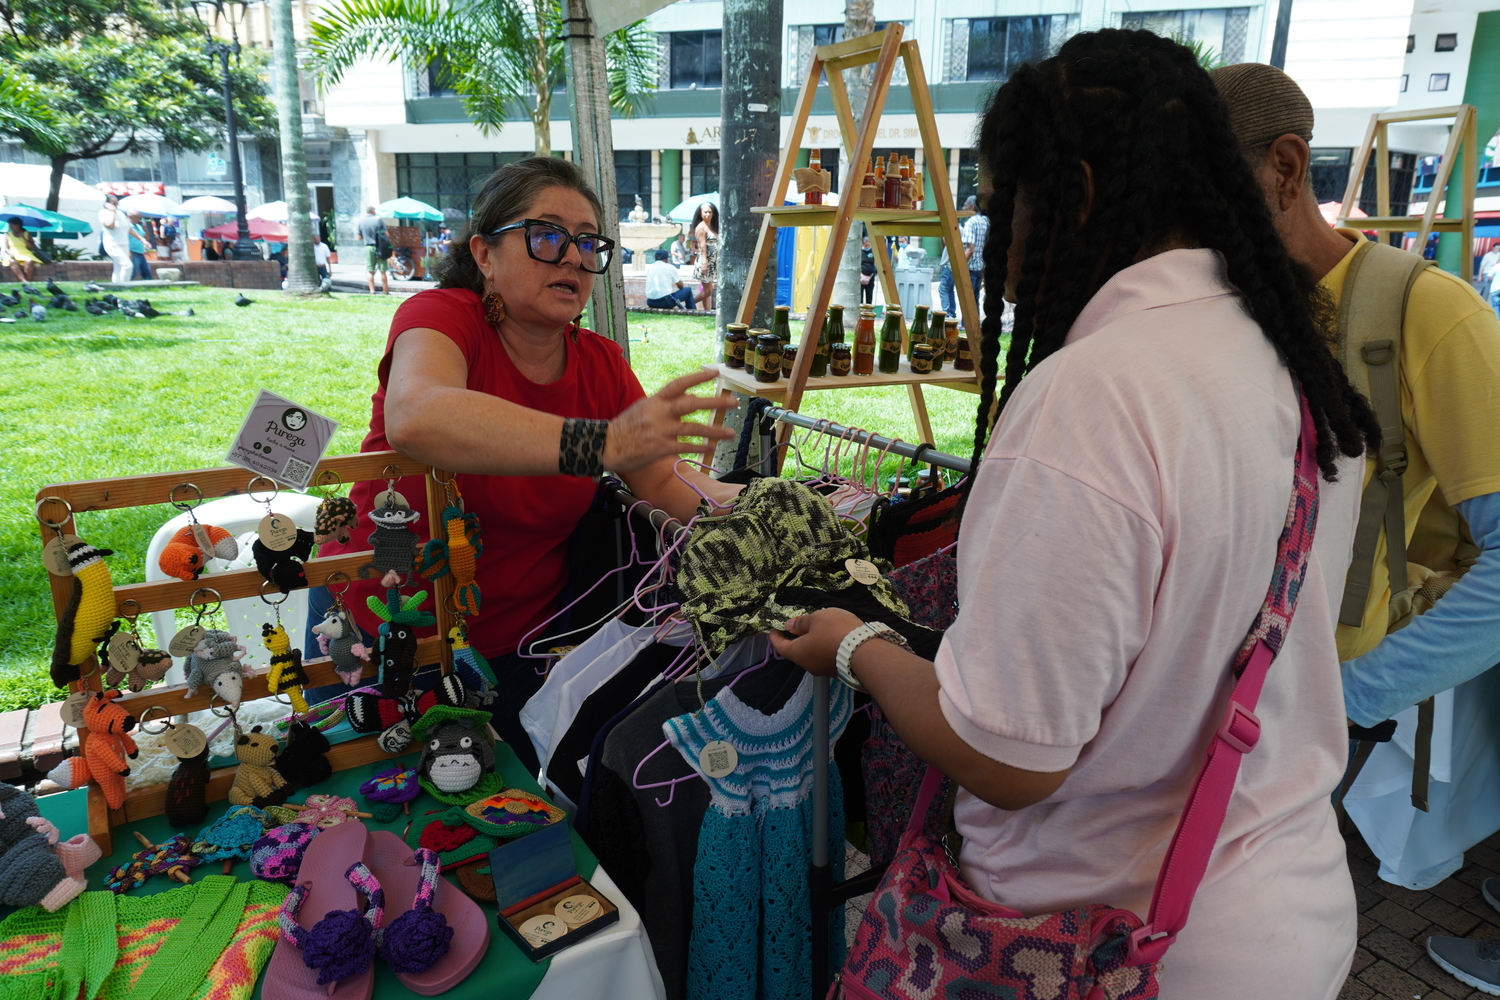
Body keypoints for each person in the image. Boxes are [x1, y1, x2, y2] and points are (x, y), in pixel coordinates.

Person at [771, 30, 1377, 1000]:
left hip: (1106, 948)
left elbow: (1009, 756)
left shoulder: (1094, 399)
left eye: (1000, 212)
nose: (1000, 256)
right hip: (1282, 907)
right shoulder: (1292, 365)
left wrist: (857, 648)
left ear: (1079, 195)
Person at [1211, 63, 1500, 994]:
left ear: (1287, 171)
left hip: (1316, 702)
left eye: (1204, 194)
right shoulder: (1226, 308)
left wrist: (1351, 695)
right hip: (1218, 691)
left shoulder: (1431, 312)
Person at [314, 156, 740, 774]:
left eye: (589, 243)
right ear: (484, 254)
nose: (572, 258)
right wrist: (600, 445)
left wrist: (789, 508)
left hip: (518, 649)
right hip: (381, 631)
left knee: (502, 819)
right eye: (547, 236)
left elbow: (667, 484)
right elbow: (419, 415)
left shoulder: (600, 365)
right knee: (360, 813)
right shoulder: (441, 319)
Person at [937, 195, 978, 317]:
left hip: (949, 264)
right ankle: (951, 313)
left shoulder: (956, 230)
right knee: (949, 289)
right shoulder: (961, 229)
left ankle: (948, 313)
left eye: (965, 205)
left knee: (943, 288)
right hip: (951, 264)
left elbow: (945, 245)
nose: (963, 207)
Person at [959, 199, 987, 327]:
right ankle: (974, 324)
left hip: (970, 267)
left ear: (971, 207)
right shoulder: (985, 221)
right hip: (981, 266)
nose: (963, 208)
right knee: (975, 297)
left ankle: (967, 325)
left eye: (964, 205)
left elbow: (970, 249)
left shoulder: (970, 223)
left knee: (967, 299)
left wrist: (960, 267)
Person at [98, 194, 132, 284]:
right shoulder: (103, 213)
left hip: (124, 243)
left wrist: (142, 239)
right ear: (107, 204)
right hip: (112, 244)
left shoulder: (121, 214)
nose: (116, 205)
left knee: (118, 268)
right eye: (113, 203)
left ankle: (116, 286)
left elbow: (128, 228)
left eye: (117, 203)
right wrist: (112, 212)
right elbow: (110, 226)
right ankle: (125, 285)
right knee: (127, 265)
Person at [690, 202, 717, 309]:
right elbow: (702, 247)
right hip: (705, 262)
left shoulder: (711, 226)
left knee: (706, 291)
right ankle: (687, 304)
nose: (708, 214)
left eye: (710, 212)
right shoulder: (701, 227)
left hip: (712, 263)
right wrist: (704, 264)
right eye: (705, 212)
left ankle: (707, 312)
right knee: (708, 292)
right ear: (700, 213)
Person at [357, 205, 389, 295]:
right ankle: (385, 291)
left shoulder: (361, 221)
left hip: (368, 247)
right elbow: (387, 234)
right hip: (380, 247)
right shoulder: (378, 220)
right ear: (372, 210)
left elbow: (359, 237)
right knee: (383, 271)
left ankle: (372, 291)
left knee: (370, 271)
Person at [4, 218, 42, 284]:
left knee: (29, 261)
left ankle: (27, 282)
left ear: (18, 225)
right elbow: (6, 248)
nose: (10, 227)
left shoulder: (26, 234)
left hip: (25, 253)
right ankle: (24, 281)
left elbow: (33, 248)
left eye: (11, 225)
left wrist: (24, 239)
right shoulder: (7, 234)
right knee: (12, 261)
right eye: (9, 225)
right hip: (13, 253)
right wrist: (10, 253)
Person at [126, 211, 152, 281]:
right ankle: (126, 285)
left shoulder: (139, 226)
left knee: (147, 273)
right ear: (130, 217)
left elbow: (147, 238)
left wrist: (145, 228)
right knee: (133, 272)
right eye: (137, 217)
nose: (139, 219)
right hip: (132, 252)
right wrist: (128, 252)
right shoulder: (127, 227)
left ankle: (149, 287)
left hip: (141, 253)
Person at [1480, 241, 1500, 315]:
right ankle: (1484, 301)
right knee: (1487, 288)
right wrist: (1480, 275)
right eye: (1497, 248)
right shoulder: (1488, 255)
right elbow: (1482, 265)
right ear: (1493, 248)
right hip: (1487, 273)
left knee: (1494, 290)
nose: (1498, 249)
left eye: (1499, 248)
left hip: (1496, 274)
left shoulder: (1499, 255)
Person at [859, 234, 876, 304]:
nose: (867, 247)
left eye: (868, 245)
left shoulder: (873, 252)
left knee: (869, 294)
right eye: (865, 245)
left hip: (870, 276)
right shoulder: (860, 252)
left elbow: (875, 262)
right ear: (862, 245)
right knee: (860, 294)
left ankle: (868, 309)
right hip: (861, 276)